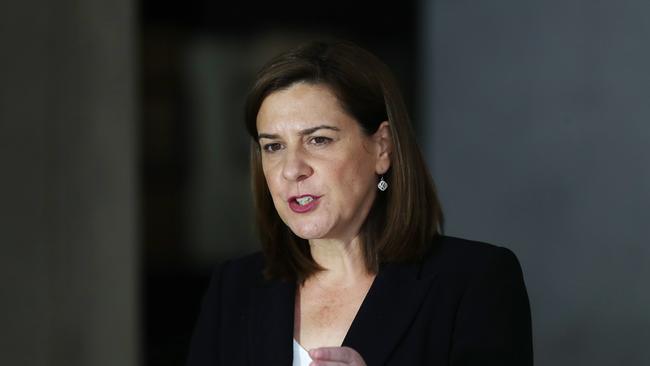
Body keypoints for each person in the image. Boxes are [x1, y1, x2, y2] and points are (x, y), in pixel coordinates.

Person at [186, 40, 533, 366]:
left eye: (319, 140)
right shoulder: (233, 289)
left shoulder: (474, 281)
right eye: (274, 146)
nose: (292, 169)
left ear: (382, 148)